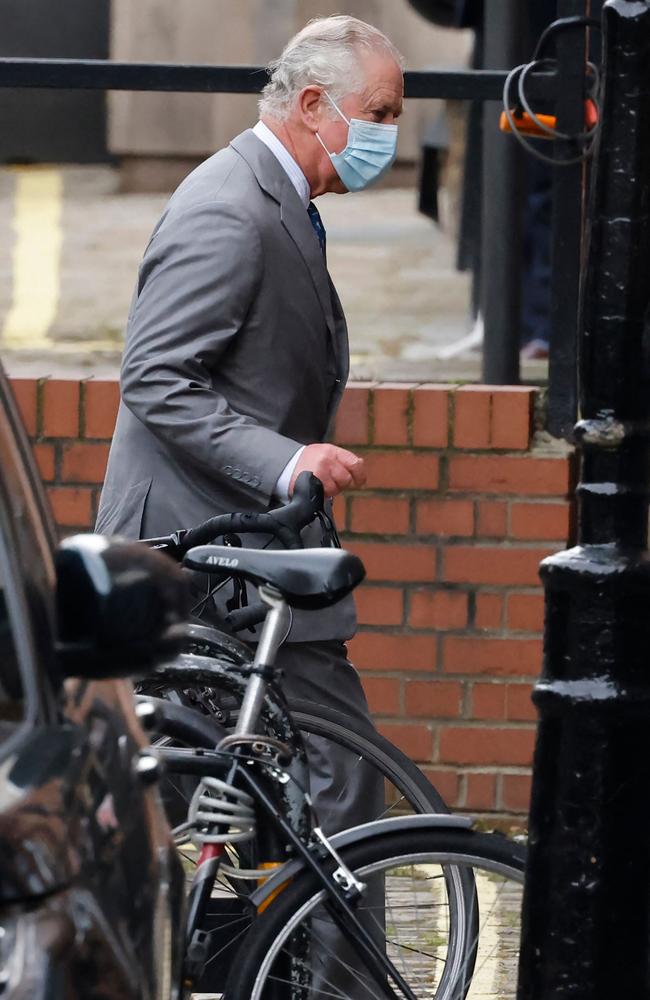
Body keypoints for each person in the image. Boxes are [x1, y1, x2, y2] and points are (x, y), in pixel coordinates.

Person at [96, 15, 404, 993]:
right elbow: (154, 376)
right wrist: (285, 460)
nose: (388, 133)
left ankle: (272, 973)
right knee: (331, 777)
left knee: (231, 788)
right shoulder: (231, 209)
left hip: (230, 542)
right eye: (379, 113)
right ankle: (339, 984)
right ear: (311, 105)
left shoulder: (274, 194)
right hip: (206, 546)